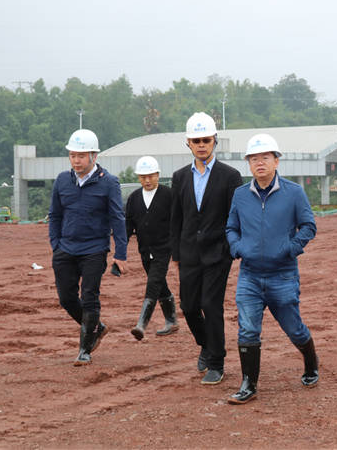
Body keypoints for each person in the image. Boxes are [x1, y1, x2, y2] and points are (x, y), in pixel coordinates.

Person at [225, 133, 318, 404]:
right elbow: (231, 227)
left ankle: (311, 361)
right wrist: (238, 247)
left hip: (283, 275)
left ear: (276, 161)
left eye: (265, 157)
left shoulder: (294, 193)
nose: (259, 163)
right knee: (247, 329)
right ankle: (248, 384)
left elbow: (309, 226)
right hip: (250, 275)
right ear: (248, 164)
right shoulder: (240, 195)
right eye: (254, 159)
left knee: (294, 328)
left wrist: (289, 248)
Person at [170, 112, 243, 385]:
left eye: (206, 140)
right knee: (189, 307)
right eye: (196, 141)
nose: (201, 145)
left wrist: (229, 248)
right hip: (189, 253)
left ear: (215, 141)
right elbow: (176, 218)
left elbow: (235, 217)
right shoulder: (180, 177)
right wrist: (176, 254)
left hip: (217, 253)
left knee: (210, 305)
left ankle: (216, 362)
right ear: (188, 143)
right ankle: (206, 344)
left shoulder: (230, 177)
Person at [48, 129, 128, 366]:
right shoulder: (62, 180)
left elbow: (117, 219)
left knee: (90, 296)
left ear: (94, 156)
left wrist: (120, 253)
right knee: (66, 298)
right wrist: (55, 244)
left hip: (94, 249)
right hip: (65, 248)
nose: (76, 161)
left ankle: (85, 349)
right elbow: (55, 215)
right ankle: (97, 327)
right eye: (73, 155)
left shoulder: (109, 182)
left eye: (81, 156)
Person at [125, 155, 179, 340]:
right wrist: (121, 250)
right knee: (159, 283)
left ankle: (142, 323)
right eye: (143, 177)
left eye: (151, 176)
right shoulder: (134, 198)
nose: (147, 180)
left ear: (158, 175)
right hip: (144, 250)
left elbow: (177, 221)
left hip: (164, 248)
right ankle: (171, 320)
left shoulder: (169, 195)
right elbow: (128, 224)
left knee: (153, 282)